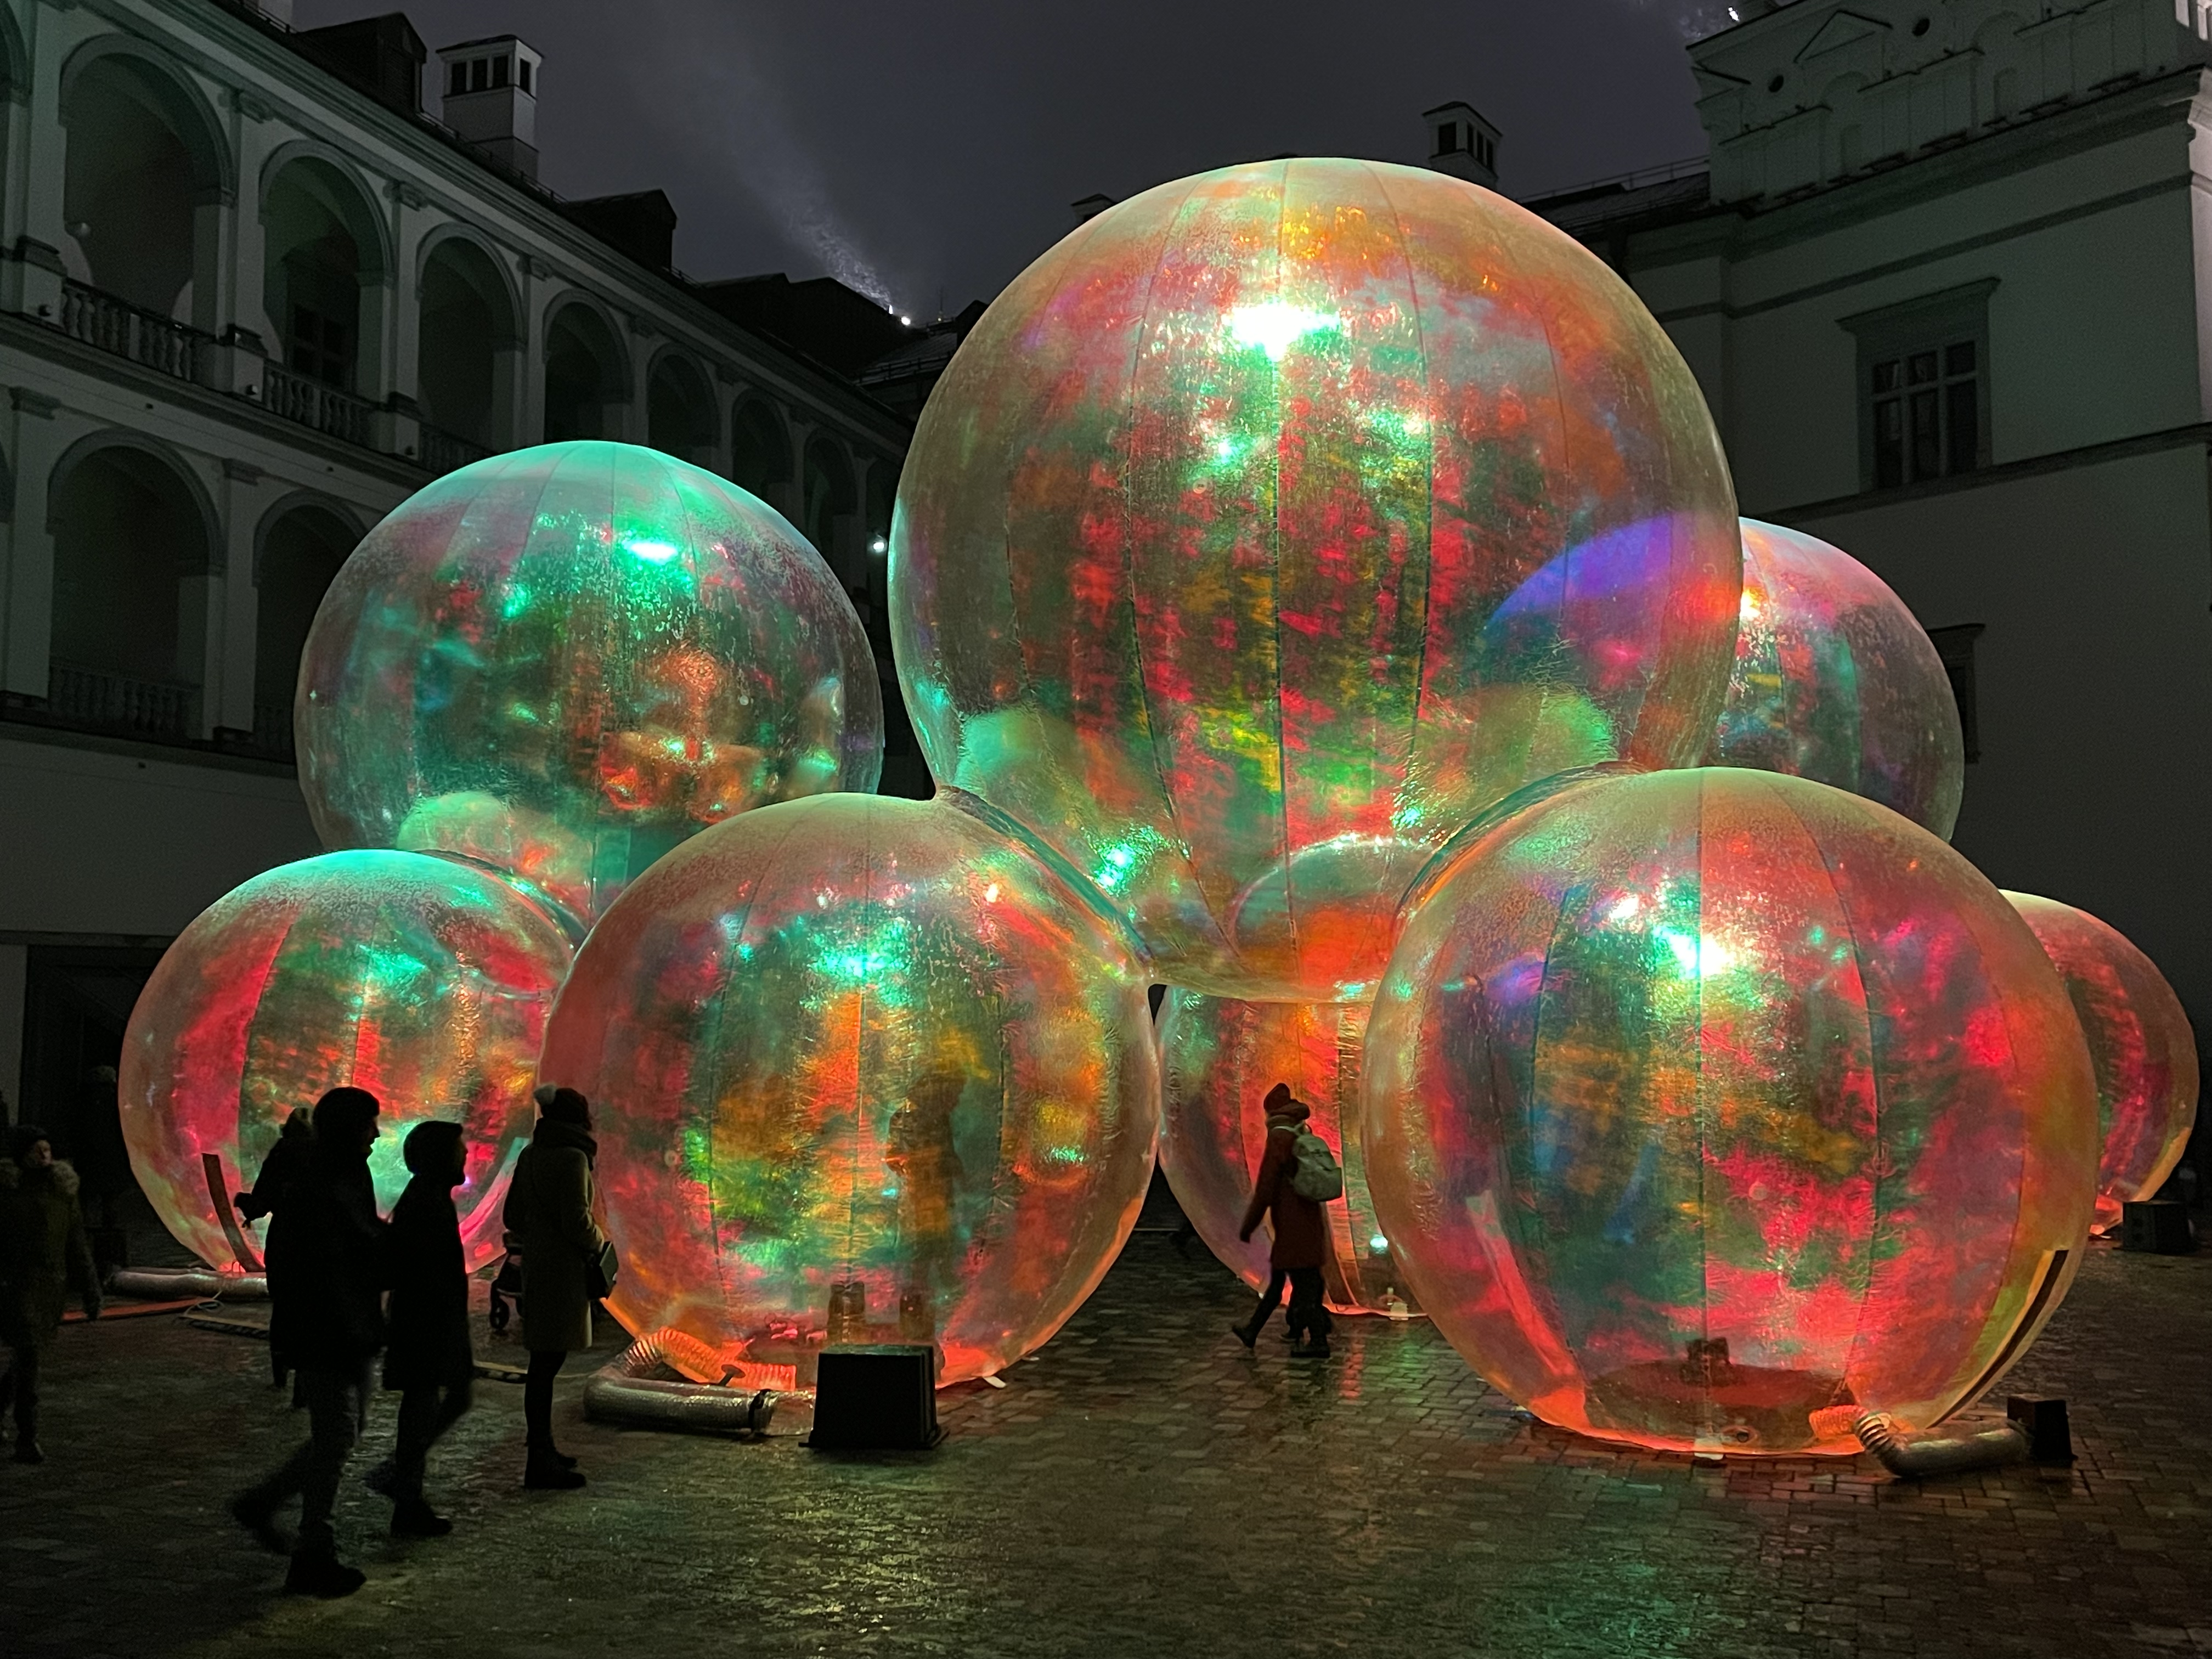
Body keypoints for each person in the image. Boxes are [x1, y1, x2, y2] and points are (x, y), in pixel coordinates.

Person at [229, 1087, 388, 1598]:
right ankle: (312, 1549)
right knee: (337, 1433)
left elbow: (359, 1241)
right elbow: (333, 1256)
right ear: (349, 1128)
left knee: (343, 1431)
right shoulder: (322, 1181)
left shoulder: (342, 1173)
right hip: (330, 1328)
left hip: (345, 1325)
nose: (377, 1134)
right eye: (370, 1124)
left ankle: (269, 1507)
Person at [503, 1086, 607, 1491]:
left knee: (541, 1363)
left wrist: (538, 1236)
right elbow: (577, 1220)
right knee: (547, 1366)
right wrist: (600, 1242)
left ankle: (543, 1448)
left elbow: (513, 1215)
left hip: (537, 1266)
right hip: (564, 1271)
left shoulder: (531, 1155)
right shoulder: (574, 1157)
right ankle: (540, 1458)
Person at [375, 1120, 473, 1538]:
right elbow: (428, 1273)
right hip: (428, 1323)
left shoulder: (424, 1197)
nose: (466, 1154)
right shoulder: (429, 1204)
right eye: (458, 1148)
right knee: (431, 1402)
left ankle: (404, 1487)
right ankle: (403, 1487)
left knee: (432, 1402)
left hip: (427, 1321)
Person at [0, 1125, 102, 1463]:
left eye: (47, 1149)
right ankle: (27, 1437)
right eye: (36, 1149)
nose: (43, 1155)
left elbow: (77, 1244)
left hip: (49, 1287)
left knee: (25, 1358)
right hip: (16, 1286)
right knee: (28, 1358)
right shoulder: (9, 1193)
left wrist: (91, 1290)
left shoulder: (62, 1192)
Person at [1232, 1084, 1335, 1359]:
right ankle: (1254, 1330)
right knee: (1289, 1280)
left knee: (1304, 1283)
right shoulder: (1301, 1130)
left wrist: (1249, 1225)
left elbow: (1266, 1188)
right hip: (1306, 1219)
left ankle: (1319, 1339)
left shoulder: (1279, 1137)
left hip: (1293, 1224)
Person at [236, 1109, 315, 1392]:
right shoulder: (325, 1155)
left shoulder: (281, 1154)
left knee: (283, 1311)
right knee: (310, 1314)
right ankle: (303, 1386)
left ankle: (281, 1377)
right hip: (314, 1244)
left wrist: (242, 1202)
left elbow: (261, 1202)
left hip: (285, 1242)